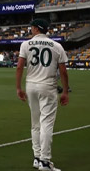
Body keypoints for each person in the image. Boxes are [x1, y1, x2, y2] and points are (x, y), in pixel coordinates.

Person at [16, 19, 69, 171]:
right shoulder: (57, 46)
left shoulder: (25, 44)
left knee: (35, 124)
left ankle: (37, 158)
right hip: (48, 86)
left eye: (31, 27)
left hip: (31, 86)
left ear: (35, 29)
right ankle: (45, 161)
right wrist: (65, 91)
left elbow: (20, 67)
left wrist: (18, 88)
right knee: (46, 124)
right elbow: (63, 71)